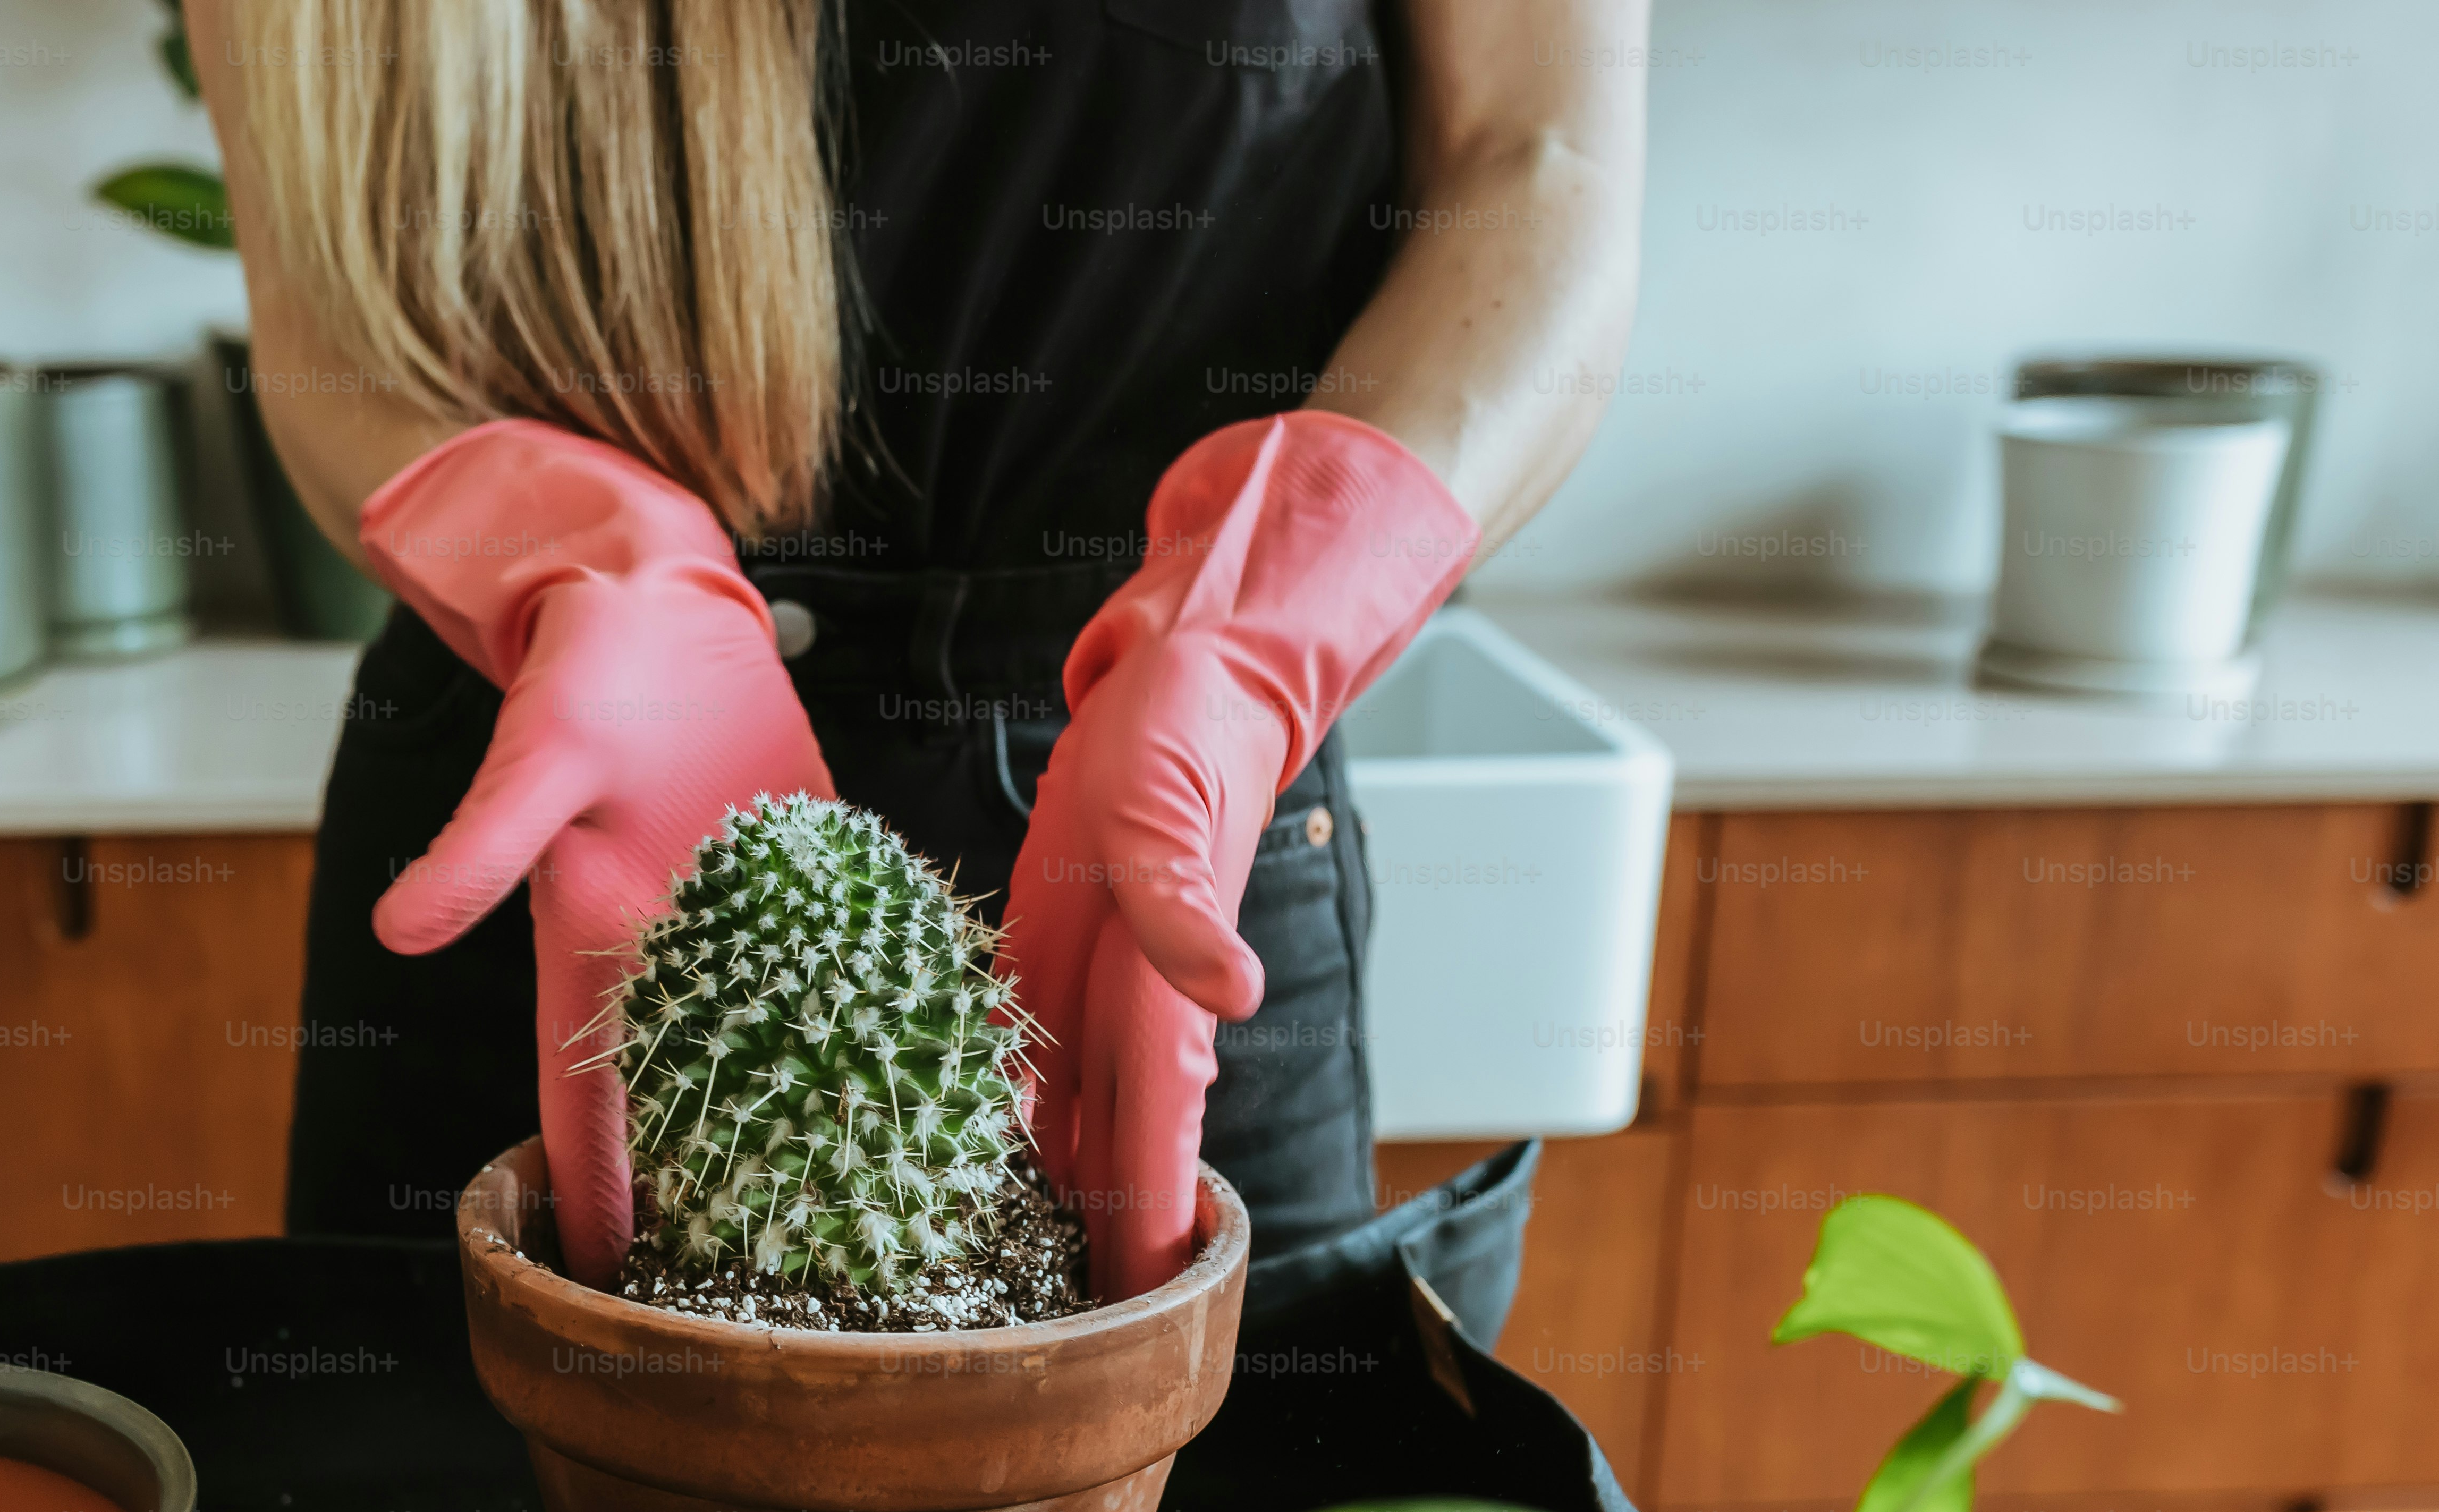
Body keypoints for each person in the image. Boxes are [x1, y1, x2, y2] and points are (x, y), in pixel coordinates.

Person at [197, 0, 1647, 1343]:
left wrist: (1268, 610)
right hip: (562, 787)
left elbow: (1537, 156)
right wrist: (564, 555)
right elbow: (319, 306)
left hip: (1156, 788)